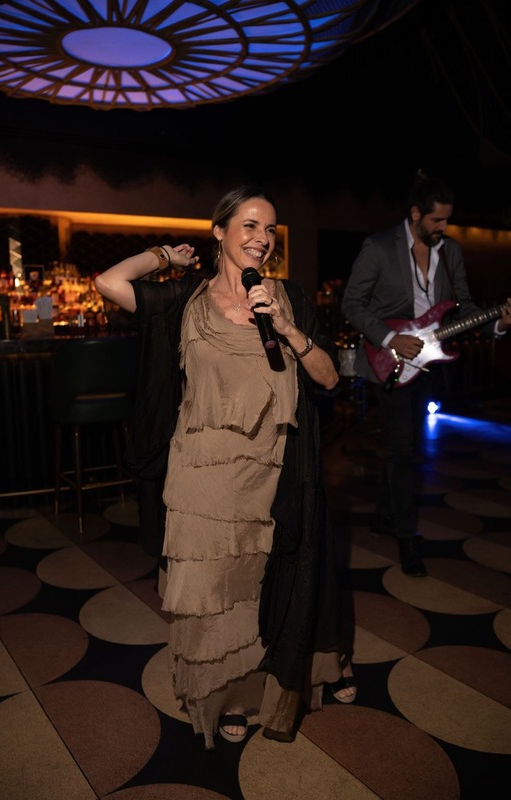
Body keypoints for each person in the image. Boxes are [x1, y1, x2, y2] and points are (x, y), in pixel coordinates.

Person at [94, 185, 356, 751]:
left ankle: (256, 685)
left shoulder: (286, 298)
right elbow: (109, 283)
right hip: (200, 473)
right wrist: (165, 257)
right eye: (249, 226)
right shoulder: (185, 297)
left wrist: (287, 329)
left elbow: (330, 378)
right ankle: (227, 697)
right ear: (219, 231)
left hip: (272, 470)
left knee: (258, 586)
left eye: (270, 229)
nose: (262, 239)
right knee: (210, 591)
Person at [341, 170, 511, 577]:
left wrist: (499, 323)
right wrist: (390, 339)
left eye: (447, 220)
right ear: (415, 213)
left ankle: (384, 515)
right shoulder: (379, 247)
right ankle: (406, 537)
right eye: (437, 220)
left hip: (430, 361)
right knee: (402, 450)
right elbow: (352, 303)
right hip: (390, 359)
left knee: (407, 445)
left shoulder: (450, 251)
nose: (443, 227)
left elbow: (464, 306)